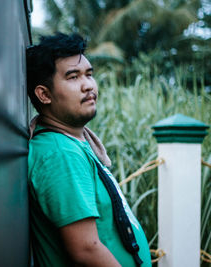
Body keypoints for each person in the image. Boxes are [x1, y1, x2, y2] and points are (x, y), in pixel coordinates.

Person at [26, 33, 152, 267]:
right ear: (44, 94)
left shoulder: (74, 143)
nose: (88, 85)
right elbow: (86, 249)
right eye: (73, 77)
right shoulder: (60, 154)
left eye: (89, 74)